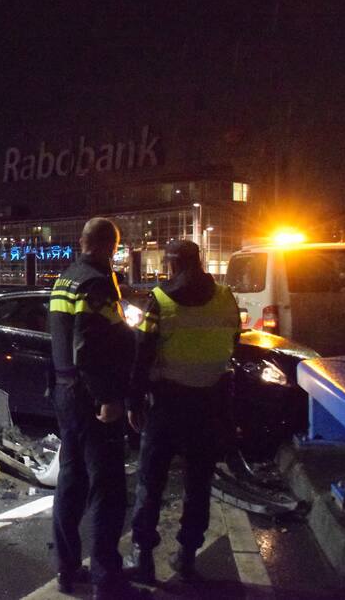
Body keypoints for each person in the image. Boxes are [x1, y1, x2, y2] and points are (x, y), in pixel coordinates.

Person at [125, 240, 240, 584]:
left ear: (173, 263)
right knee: (198, 483)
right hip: (209, 405)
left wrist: (134, 402)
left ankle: (143, 558)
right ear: (200, 260)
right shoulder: (225, 297)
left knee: (151, 482)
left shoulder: (160, 301)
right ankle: (186, 556)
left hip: (166, 406)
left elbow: (142, 354)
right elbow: (234, 339)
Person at [48, 218, 135, 598]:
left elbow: (67, 342)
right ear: (107, 247)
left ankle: (68, 572)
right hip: (90, 399)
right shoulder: (96, 283)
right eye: (114, 249)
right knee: (107, 489)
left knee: (71, 484)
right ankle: (106, 580)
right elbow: (89, 347)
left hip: (67, 395)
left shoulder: (65, 278)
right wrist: (107, 398)